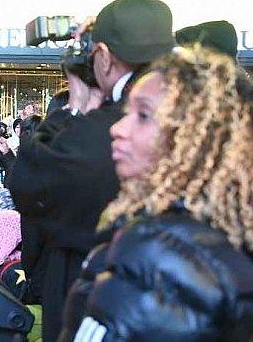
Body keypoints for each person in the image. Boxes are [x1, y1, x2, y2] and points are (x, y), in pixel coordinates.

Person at [8, 0, 175, 342]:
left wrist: (78, 102)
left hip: (98, 302)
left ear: (103, 56)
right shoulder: (204, 119)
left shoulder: (102, 131)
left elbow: (28, 181)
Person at [59, 47, 253, 341]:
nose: (118, 129)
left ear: (192, 138)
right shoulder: (221, 233)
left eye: (144, 115)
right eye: (127, 113)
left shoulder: (154, 253)